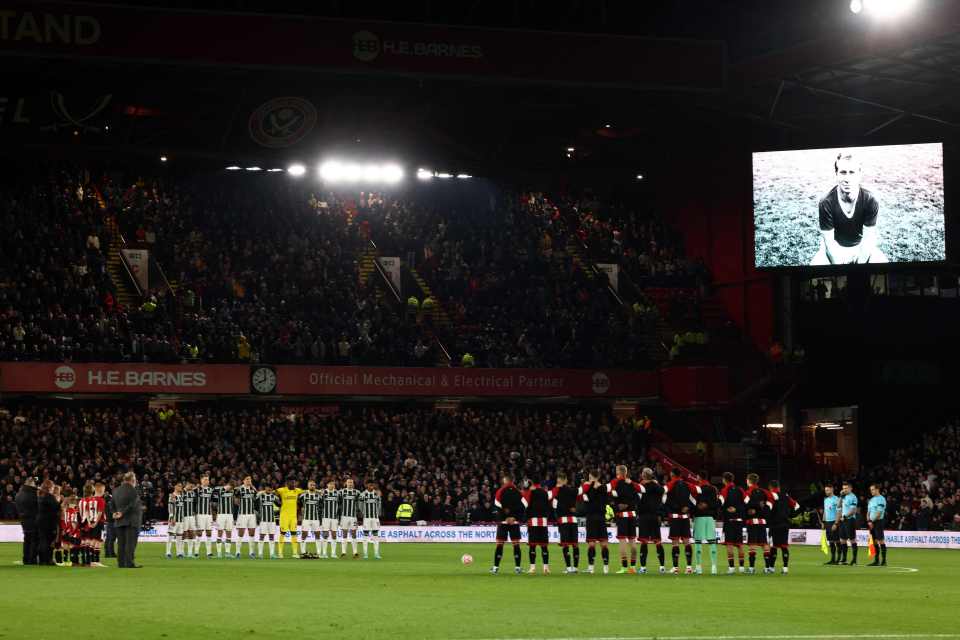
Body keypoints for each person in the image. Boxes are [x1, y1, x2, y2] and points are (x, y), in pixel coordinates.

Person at [810, 152, 888, 265]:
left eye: (852, 172)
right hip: (836, 248)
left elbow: (868, 240)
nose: (847, 178)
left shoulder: (870, 200)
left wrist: (858, 266)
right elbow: (829, 243)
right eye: (843, 172)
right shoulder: (826, 202)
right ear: (836, 174)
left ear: (859, 174)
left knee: (883, 264)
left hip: (860, 246)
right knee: (814, 266)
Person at [663, 468, 698, 574]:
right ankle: (689, 568)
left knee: (675, 542)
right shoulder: (688, 485)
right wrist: (688, 507)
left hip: (674, 517)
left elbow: (663, 498)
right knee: (687, 542)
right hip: (685, 517)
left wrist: (670, 509)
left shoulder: (669, 484)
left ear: (672, 474)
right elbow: (697, 494)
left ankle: (676, 568)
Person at [608, 465, 640, 574]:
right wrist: (630, 504)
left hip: (622, 516)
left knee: (622, 541)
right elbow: (637, 498)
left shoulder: (615, 482)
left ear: (619, 472)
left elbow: (609, 494)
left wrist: (617, 507)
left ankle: (624, 567)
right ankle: (633, 567)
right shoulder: (632, 484)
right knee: (632, 541)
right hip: (632, 514)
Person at [490, 472, 524, 575]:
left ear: (505, 480)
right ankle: (517, 568)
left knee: (500, 544)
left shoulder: (500, 491)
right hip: (514, 522)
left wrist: (504, 518)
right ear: (512, 481)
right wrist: (515, 518)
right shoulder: (518, 492)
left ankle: (495, 568)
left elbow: (497, 507)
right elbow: (522, 507)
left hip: (503, 522)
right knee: (516, 544)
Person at [579, 469, 610, 574]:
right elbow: (607, 501)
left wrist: (587, 486)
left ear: (591, 476)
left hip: (591, 517)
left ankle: (591, 568)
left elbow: (585, 500)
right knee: (604, 544)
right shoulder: (604, 488)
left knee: (591, 544)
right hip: (601, 518)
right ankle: (606, 568)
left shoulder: (587, 488)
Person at [112, 472, 144, 569]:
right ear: (132, 480)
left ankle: (121, 563)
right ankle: (129, 563)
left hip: (119, 521)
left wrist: (115, 512)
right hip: (131, 520)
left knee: (121, 543)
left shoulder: (116, 490)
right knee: (130, 543)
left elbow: (111, 504)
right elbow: (132, 505)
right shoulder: (134, 490)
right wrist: (122, 512)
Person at [767, 479, 799, 574]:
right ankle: (785, 568)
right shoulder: (786, 496)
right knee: (784, 546)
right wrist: (789, 515)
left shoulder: (771, 495)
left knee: (773, 546)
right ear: (779, 487)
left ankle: (771, 568)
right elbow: (796, 506)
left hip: (774, 524)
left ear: (770, 488)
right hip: (785, 524)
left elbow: (768, 508)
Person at [550, 472, 580, 574]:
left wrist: (557, 516)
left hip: (563, 520)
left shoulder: (556, 491)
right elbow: (580, 493)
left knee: (565, 545)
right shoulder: (573, 490)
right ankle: (575, 568)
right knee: (575, 545)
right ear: (566, 480)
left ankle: (568, 568)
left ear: (559, 481)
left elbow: (554, 506)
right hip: (573, 519)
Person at [743, 473, 773, 574]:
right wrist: (764, 513)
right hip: (762, 521)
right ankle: (767, 568)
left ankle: (751, 568)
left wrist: (750, 511)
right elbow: (770, 504)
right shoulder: (765, 492)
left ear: (748, 481)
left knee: (752, 544)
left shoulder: (748, 492)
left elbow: (745, 504)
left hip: (752, 521)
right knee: (764, 544)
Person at [636, 468, 665, 575]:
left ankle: (643, 568)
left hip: (644, 516)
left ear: (643, 476)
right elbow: (662, 492)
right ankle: (662, 567)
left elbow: (637, 500)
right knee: (657, 541)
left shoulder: (641, 487)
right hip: (655, 516)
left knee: (644, 542)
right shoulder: (657, 487)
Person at [522, 476, 551, 575]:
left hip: (533, 521)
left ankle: (532, 568)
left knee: (532, 546)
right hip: (543, 521)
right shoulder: (544, 492)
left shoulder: (529, 492)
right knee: (544, 546)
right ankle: (546, 568)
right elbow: (548, 506)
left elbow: (525, 504)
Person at [693, 472, 720, 575]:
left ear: (698, 477)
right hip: (710, 518)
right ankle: (714, 568)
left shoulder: (697, 488)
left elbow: (693, 502)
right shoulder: (713, 489)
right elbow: (717, 503)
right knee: (712, 542)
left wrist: (696, 509)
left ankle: (698, 568)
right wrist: (709, 506)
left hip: (699, 517)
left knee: (698, 542)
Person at [719, 472, 746, 574]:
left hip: (729, 521)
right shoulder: (740, 490)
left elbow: (720, 504)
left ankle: (731, 568)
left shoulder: (724, 490)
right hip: (739, 521)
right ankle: (742, 568)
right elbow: (747, 502)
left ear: (724, 480)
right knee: (739, 545)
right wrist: (738, 509)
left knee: (729, 545)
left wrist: (726, 509)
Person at [79, 483, 107, 567]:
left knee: (91, 541)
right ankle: (96, 561)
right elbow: (100, 512)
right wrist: (96, 522)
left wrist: (89, 522)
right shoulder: (101, 500)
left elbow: (87, 512)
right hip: (99, 523)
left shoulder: (89, 499)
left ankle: (90, 561)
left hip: (89, 522)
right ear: (102, 491)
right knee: (98, 541)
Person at [276, 478, 304, 559]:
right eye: (292, 482)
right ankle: (280, 553)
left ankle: (295, 553)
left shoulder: (297, 490)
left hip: (293, 517)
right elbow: (273, 492)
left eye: (294, 482)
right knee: (282, 533)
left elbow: (306, 491)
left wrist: (318, 490)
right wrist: (278, 501)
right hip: (284, 516)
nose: (294, 484)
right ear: (287, 483)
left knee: (294, 534)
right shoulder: (282, 490)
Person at [15, 477, 39, 565]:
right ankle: (32, 559)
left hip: (23, 519)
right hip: (32, 519)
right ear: (31, 483)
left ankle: (26, 558)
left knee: (27, 539)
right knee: (34, 540)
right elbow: (37, 506)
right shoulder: (32, 494)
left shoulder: (19, 494)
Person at [36, 480, 60, 566]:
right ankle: (48, 559)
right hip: (49, 522)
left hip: (40, 521)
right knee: (49, 541)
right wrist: (59, 500)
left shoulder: (40, 496)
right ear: (50, 487)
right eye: (53, 487)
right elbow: (57, 508)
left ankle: (42, 559)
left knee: (42, 540)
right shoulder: (50, 497)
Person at [358, 480, 383, 560]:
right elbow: (360, 504)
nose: (371, 487)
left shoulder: (376, 494)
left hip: (375, 518)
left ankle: (376, 553)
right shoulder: (363, 494)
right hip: (367, 518)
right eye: (369, 485)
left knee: (375, 535)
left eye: (372, 485)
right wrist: (363, 512)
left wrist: (378, 512)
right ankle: (365, 554)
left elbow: (379, 504)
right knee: (365, 535)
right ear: (367, 486)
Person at [299, 481, 323, 558]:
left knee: (317, 534)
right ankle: (303, 552)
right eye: (311, 485)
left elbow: (321, 506)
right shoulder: (303, 495)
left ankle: (318, 553)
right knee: (304, 534)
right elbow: (299, 504)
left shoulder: (319, 496)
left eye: (314, 485)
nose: (312, 486)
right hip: (306, 518)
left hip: (316, 518)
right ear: (308, 486)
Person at [235, 476, 258, 559]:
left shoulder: (252, 489)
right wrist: (242, 506)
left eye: (250, 479)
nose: (249, 481)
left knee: (252, 533)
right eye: (247, 479)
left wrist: (253, 486)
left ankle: (251, 552)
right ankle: (237, 552)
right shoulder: (239, 489)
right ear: (243, 480)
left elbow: (256, 496)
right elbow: (236, 500)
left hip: (252, 514)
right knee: (241, 533)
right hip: (242, 514)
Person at [338, 478, 361, 558]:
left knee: (354, 534)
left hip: (353, 517)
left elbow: (361, 501)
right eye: (349, 482)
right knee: (344, 534)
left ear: (353, 484)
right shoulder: (341, 492)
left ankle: (355, 552)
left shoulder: (357, 492)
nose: (350, 484)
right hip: (344, 516)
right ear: (346, 483)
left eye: (351, 482)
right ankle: (343, 552)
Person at [256, 486, 279, 559]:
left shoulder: (274, 497)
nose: (269, 489)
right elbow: (255, 497)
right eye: (267, 488)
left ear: (272, 489)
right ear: (265, 488)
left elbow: (279, 504)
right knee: (262, 536)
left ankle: (272, 554)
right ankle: (260, 553)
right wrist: (260, 492)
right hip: (263, 520)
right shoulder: (261, 496)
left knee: (271, 536)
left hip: (272, 520)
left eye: (270, 488)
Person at [213, 481, 236, 559]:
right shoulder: (219, 491)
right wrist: (225, 487)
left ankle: (227, 552)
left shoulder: (232, 492)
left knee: (229, 532)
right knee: (220, 532)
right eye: (229, 486)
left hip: (229, 515)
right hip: (221, 515)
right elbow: (214, 493)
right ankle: (219, 553)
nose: (230, 487)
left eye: (231, 486)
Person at [867, 483, 888, 567]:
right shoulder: (871, 500)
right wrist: (869, 521)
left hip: (878, 522)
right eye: (870, 490)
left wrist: (871, 521)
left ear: (877, 489)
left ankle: (884, 561)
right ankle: (876, 561)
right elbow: (868, 512)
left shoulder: (881, 499)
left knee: (881, 540)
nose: (871, 491)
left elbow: (879, 513)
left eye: (873, 489)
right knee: (874, 541)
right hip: (871, 522)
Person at [195, 476, 216, 559]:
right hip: (200, 514)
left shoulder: (211, 490)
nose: (207, 481)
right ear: (201, 481)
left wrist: (213, 513)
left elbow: (213, 502)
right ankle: (196, 552)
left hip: (208, 515)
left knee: (209, 533)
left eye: (207, 480)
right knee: (199, 533)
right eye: (205, 480)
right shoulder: (197, 490)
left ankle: (209, 552)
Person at [839, 481, 859, 565]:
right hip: (843, 520)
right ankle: (844, 559)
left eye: (846, 488)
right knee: (842, 540)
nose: (844, 490)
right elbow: (838, 506)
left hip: (849, 520)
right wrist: (840, 496)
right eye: (843, 488)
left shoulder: (853, 497)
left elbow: (853, 511)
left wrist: (845, 517)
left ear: (850, 488)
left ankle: (854, 559)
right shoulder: (844, 496)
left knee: (852, 539)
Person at [321, 479, 341, 559]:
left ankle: (333, 553)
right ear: (327, 485)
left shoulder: (337, 493)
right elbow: (319, 503)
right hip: (325, 517)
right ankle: (324, 553)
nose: (332, 485)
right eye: (330, 484)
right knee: (325, 535)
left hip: (334, 517)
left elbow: (340, 504)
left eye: (333, 484)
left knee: (334, 535)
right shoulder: (323, 492)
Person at [822, 483, 842, 565]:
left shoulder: (837, 499)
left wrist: (836, 523)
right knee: (830, 541)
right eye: (825, 490)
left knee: (837, 541)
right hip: (827, 522)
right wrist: (823, 522)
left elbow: (839, 512)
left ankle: (838, 559)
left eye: (827, 490)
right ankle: (832, 559)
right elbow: (825, 511)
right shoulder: (825, 500)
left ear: (832, 489)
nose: (826, 491)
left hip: (834, 522)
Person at [166, 483, 185, 559]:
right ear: (175, 487)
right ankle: (168, 552)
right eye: (179, 486)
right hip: (174, 519)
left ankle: (179, 553)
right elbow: (170, 507)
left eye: (181, 486)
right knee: (170, 536)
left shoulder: (182, 496)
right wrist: (172, 518)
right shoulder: (172, 496)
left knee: (179, 537)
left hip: (181, 520)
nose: (181, 487)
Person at [181, 481, 199, 558]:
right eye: (189, 485)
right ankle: (181, 552)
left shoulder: (193, 494)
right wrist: (185, 488)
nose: (190, 486)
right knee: (184, 533)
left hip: (191, 516)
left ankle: (190, 552)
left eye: (191, 485)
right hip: (184, 516)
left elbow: (195, 503)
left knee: (191, 533)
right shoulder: (182, 493)